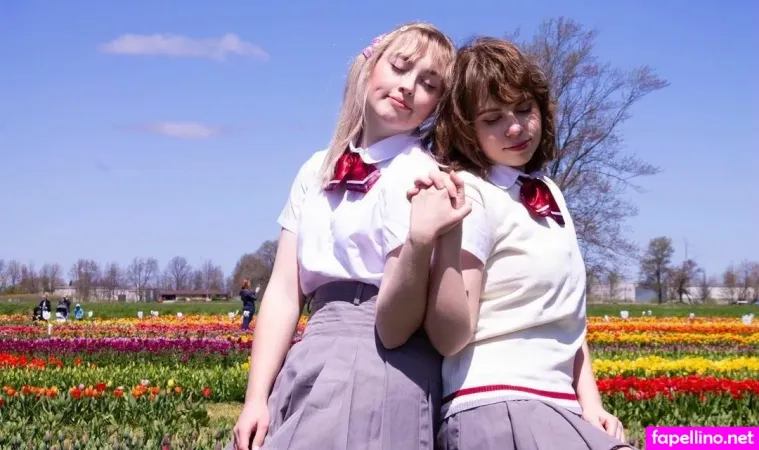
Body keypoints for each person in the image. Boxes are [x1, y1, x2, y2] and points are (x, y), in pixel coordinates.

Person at [228, 22, 464, 450]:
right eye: (400, 67)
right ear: (369, 66)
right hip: (310, 353)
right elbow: (284, 291)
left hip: (386, 361)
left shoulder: (423, 175)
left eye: (428, 84)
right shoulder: (316, 168)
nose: (408, 87)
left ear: (436, 106)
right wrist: (256, 397)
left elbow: (402, 311)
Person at [408, 37, 634, 450]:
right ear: (467, 129)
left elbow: (567, 317)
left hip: (556, 402)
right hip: (498, 400)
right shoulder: (473, 193)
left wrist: (592, 403)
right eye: (492, 118)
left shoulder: (548, 192)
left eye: (525, 109)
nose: (515, 127)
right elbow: (449, 336)